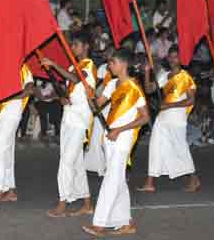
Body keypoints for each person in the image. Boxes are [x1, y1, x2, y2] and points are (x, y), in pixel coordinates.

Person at [82, 49, 149, 237]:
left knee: (111, 179)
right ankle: (126, 222)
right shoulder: (112, 84)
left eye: (112, 62)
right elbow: (96, 107)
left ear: (123, 64)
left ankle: (100, 223)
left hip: (122, 139)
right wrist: (90, 96)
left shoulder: (134, 88)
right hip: (109, 137)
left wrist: (120, 129)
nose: (109, 66)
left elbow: (145, 118)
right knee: (118, 179)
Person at [41, 31, 96, 218]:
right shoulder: (74, 66)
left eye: (76, 45)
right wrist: (63, 97)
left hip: (80, 119)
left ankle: (63, 201)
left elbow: (77, 79)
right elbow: (72, 89)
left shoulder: (88, 65)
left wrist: (54, 65)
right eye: (72, 45)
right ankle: (87, 202)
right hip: (69, 116)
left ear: (86, 46)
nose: (72, 48)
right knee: (77, 162)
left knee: (66, 161)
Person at [138, 45, 201, 193]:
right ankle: (150, 182)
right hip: (163, 117)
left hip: (177, 118)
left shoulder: (186, 77)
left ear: (181, 59)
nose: (173, 60)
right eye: (171, 57)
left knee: (180, 148)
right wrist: (147, 72)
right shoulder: (164, 75)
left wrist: (170, 105)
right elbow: (148, 90)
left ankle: (194, 178)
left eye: (176, 56)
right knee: (155, 146)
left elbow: (191, 101)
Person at [0, 64, 34, 205]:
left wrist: (6, 97)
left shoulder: (23, 68)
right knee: (7, 153)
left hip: (12, 114)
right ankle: (10, 190)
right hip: (1, 113)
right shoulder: (3, 65)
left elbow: (29, 90)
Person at [84, 46, 115, 177]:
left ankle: (110, 166)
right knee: (96, 133)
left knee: (107, 137)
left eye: (110, 53)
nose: (107, 55)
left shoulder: (118, 70)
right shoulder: (102, 68)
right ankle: (95, 165)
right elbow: (99, 85)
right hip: (102, 102)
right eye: (107, 53)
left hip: (112, 106)